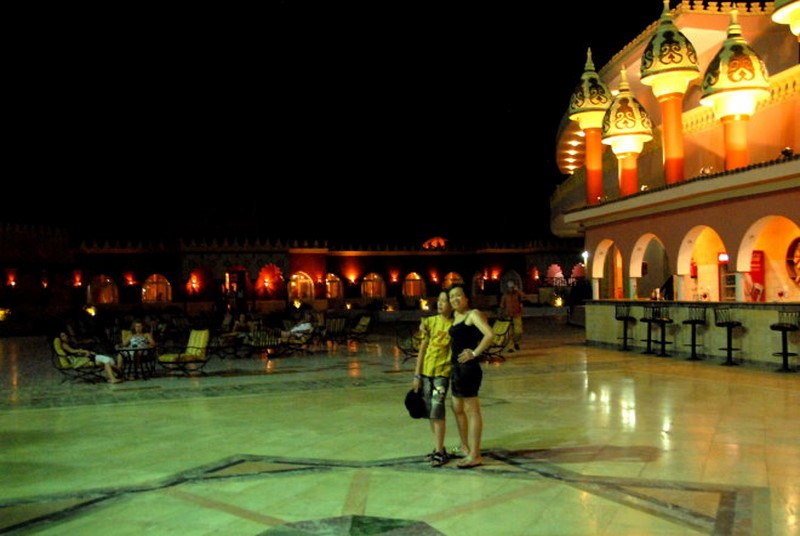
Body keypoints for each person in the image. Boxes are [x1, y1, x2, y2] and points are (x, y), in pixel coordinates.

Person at [447, 285, 495, 469]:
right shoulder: (455, 316)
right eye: (451, 296)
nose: (455, 299)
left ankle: (475, 455)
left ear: (466, 298)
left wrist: (474, 353)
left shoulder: (472, 314)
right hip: (456, 369)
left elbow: (489, 335)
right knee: (457, 408)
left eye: (458, 295)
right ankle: (464, 447)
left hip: (468, 369)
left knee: (472, 410)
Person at [412, 291, 454, 467]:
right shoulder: (430, 322)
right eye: (439, 300)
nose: (440, 304)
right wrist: (417, 375)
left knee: (437, 409)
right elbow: (422, 349)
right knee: (430, 412)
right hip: (427, 373)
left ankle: (439, 452)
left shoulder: (455, 324)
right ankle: (439, 448)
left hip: (442, 373)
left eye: (444, 301)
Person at [59, 330, 124, 384]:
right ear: (61, 338)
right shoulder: (64, 345)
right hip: (84, 359)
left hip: (89, 357)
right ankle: (118, 374)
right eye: (63, 336)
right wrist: (83, 351)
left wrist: (87, 351)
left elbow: (78, 346)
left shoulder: (71, 342)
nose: (65, 337)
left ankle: (114, 377)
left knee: (107, 362)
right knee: (107, 361)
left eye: (65, 335)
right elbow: (72, 351)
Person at [499, 281, 524, 352]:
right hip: (508, 315)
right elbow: (502, 306)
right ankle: (510, 347)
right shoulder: (505, 296)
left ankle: (515, 341)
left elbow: (524, 296)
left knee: (519, 331)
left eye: (512, 287)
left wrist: (518, 290)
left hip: (517, 314)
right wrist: (501, 314)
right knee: (509, 332)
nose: (511, 289)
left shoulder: (517, 294)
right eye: (510, 288)